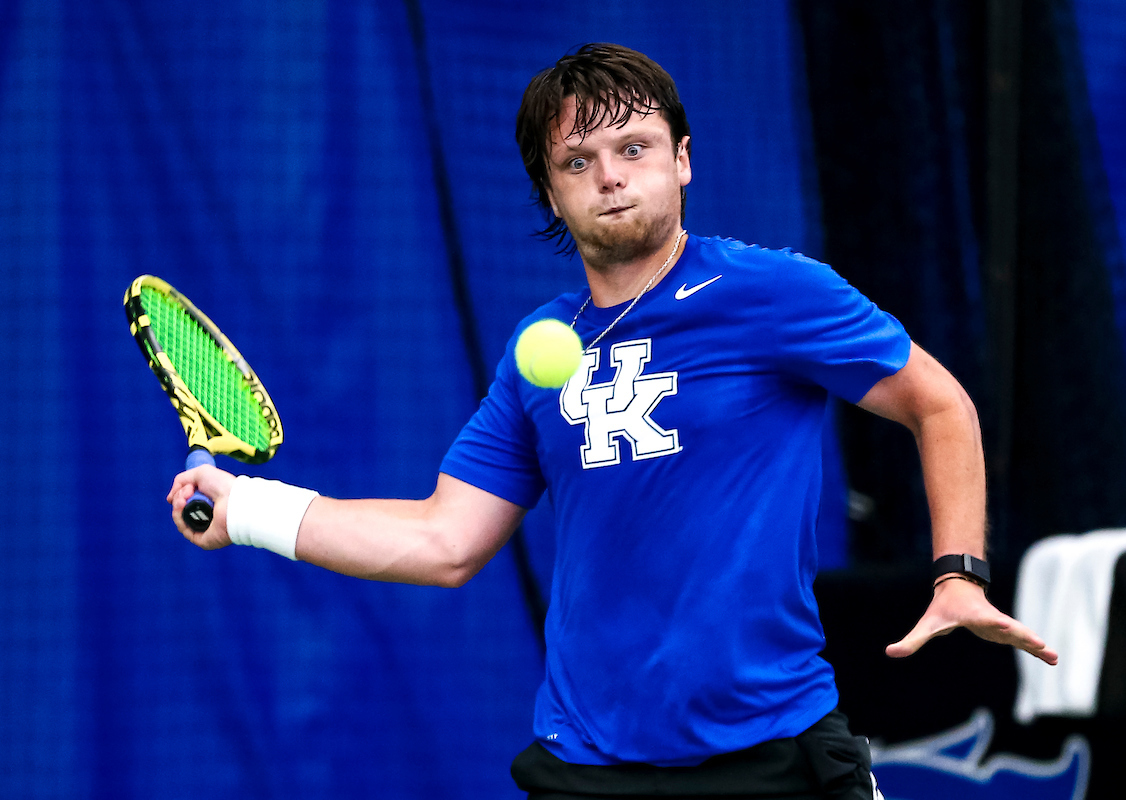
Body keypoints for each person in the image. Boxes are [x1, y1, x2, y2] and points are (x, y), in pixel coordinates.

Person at [168, 43, 1056, 800]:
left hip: (774, 753)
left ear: (682, 159)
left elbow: (939, 403)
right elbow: (444, 540)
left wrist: (959, 575)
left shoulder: (775, 292)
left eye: (634, 147)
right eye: (578, 162)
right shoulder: (536, 354)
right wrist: (249, 510)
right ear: (550, 194)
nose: (611, 176)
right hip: (588, 766)